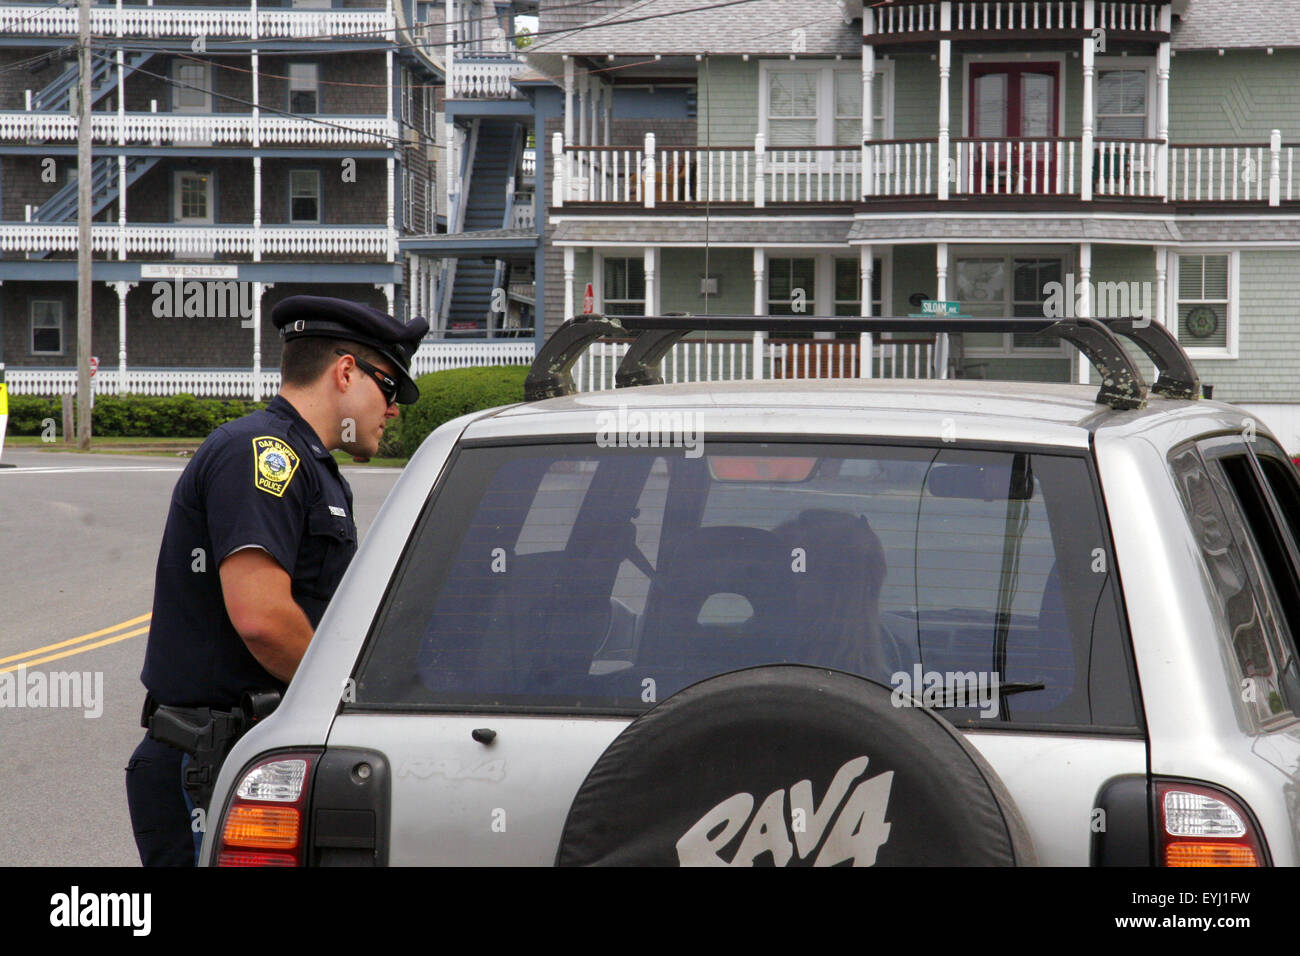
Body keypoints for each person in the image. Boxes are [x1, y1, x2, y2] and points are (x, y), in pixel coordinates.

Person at [125, 295, 428, 866]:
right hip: (208, 763)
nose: (392, 411)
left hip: (253, 754)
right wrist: (353, 703)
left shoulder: (311, 465)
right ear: (345, 372)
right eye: (389, 388)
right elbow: (262, 618)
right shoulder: (262, 454)